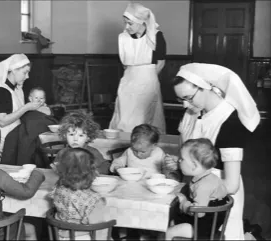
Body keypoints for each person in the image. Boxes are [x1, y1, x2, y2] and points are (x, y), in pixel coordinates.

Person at [171, 63, 260, 240]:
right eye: (180, 99)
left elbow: (232, 185)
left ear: (205, 87)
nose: (184, 105)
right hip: (194, 189)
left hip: (218, 194)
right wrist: (177, 163)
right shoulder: (192, 112)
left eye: (188, 98)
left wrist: (199, 191)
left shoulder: (229, 121)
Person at [109, 2, 166, 134]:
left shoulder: (156, 36)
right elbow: (125, 64)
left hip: (148, 81)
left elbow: (161, 62)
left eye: (130, 23)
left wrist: (147, 79)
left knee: (144, 117)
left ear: (141, 22)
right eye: (125, 23)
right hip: (128, 81)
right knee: (124, 117)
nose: (127, 27)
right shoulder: (123, 38)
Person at [166, 138, 228, 240]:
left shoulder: (203, 186)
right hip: (204, 221)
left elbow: (198, 212)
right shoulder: (206, 177)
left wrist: (184, 201)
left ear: (194, 166)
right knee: (172, 218)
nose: (179, 161)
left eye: (182, 159)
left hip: (203, 227)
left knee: (168, 232)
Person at [0, 54, 42, 153]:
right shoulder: (0, 91)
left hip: (15, 138)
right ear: (14, 70)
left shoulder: (17, 89)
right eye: (25, 72)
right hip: (1, 141)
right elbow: (2, 122)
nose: (27, 77)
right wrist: (26, 107)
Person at [48, 148, 109, 240]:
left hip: (61, 236)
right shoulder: (93, 200)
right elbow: (99, 230)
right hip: (83, 237)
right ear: (92, 172)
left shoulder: (58, 189)